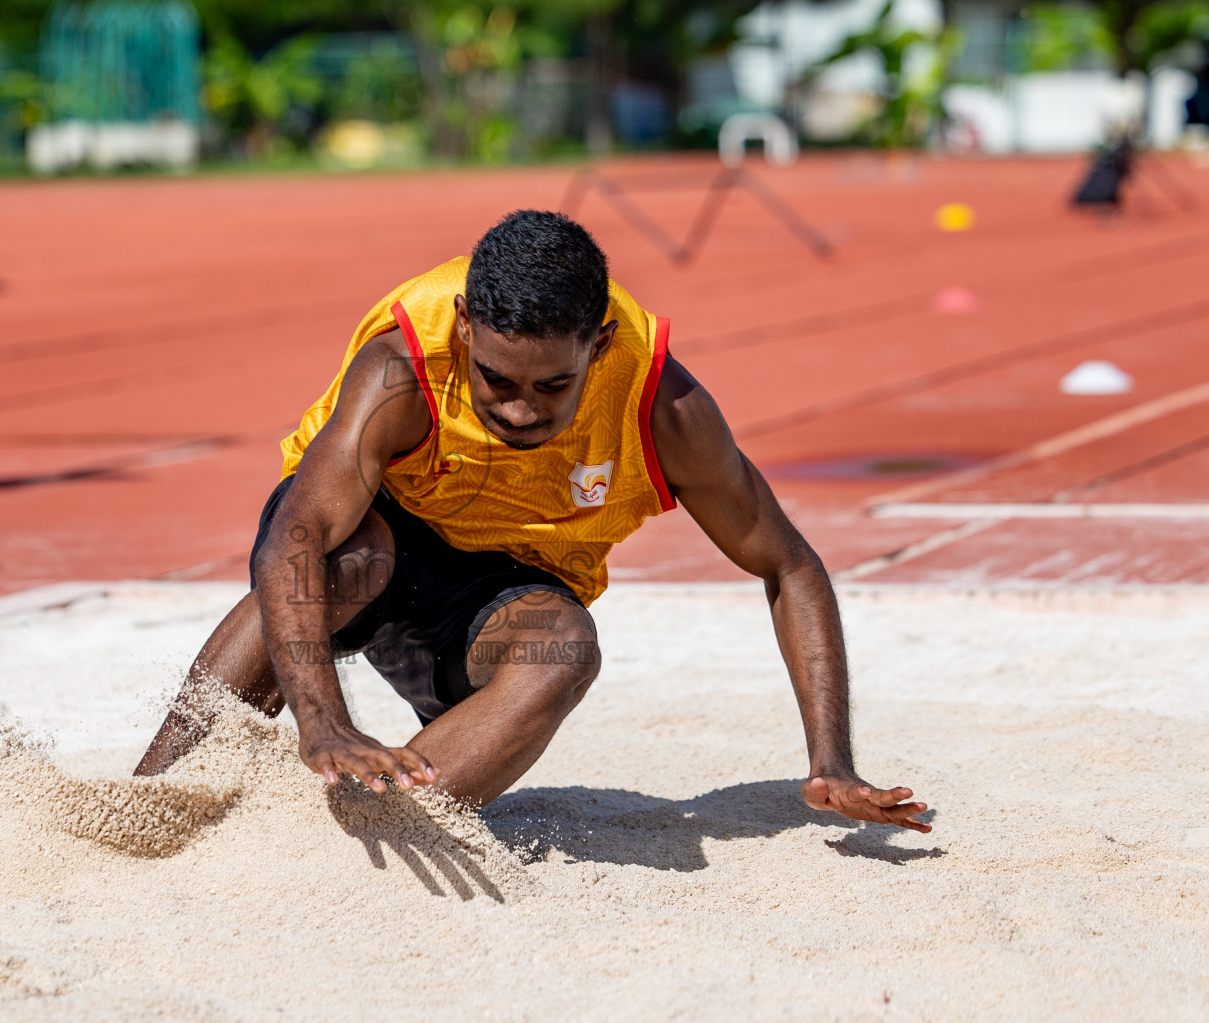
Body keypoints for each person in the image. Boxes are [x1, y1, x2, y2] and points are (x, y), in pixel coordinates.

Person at [136, 210, 930, 834]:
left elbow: (787, 564)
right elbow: (293, 542)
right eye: (495, 380)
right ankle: (149, 801)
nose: (519, 409)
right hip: (372, 551)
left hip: (492, 601)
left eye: (553, 386)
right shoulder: (402, 368)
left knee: (565, 649)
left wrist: (834, 760)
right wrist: (324, 721)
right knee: (347, 561)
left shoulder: (664, 406)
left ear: (602, 345)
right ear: (465, 326)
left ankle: (371, 827)